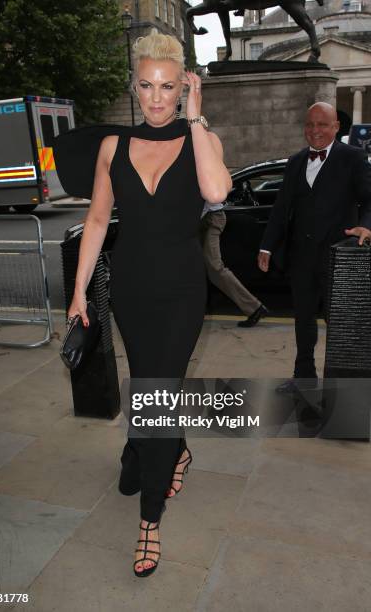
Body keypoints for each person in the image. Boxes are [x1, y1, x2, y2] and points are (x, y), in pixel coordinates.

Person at [66, 30, 231, 577]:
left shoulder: (200, 138)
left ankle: (149, 520)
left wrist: (199, 116)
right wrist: (78, 292)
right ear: (134, 87)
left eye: (168, 87)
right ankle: (171, 448)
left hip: (183, 290)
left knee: (158, 394)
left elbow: (216, 192)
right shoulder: (112, 147)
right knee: (149, 383)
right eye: (146, 86)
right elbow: (95, 220)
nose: (157, 98)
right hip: (132, 289)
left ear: (182, 87)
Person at [258, 102, 371, 391]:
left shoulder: (353, 158)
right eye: (310, 124)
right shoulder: (295, 161)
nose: (315, 130)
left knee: (339, 324)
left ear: (336, 127)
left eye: (323, 124)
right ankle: (303, 377)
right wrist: (267, 246)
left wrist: (366, 226)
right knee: (303, 320)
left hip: (339, 258)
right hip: (301, 256)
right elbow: (282, 207)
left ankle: (340, 388)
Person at [201, 201, 268, 326]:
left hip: (210, 218)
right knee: (193, 267)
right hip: (200, 219)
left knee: (215, 267)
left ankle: (254, 308)